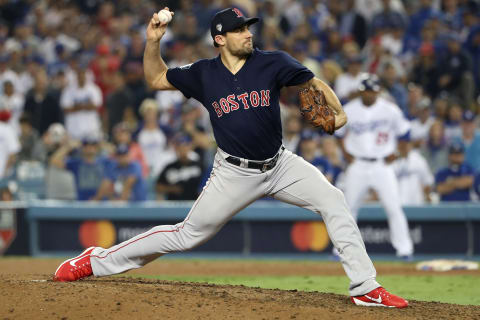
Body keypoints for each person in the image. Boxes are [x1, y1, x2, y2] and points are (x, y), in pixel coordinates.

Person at [53, 7, 408, 308]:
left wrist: (339, 112)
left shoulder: (272, 63)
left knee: (334, 200)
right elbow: (157, 78)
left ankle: (365, 287)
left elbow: (313, 84)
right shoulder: (204, 74)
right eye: (238, 30)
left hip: (280, 164)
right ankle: (96, 261)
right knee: (185, 235)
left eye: (247, 28)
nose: (246, 34)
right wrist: (153, 42)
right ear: (220, 39)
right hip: (234, 172)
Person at [336, 74, 414, 259]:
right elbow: (338, 134)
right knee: (348, 209)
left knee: (393, 207)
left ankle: (404, 249)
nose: (369, 94)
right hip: (358, 164)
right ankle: (341, 250)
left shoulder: (390, 109)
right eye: (365, 91)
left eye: (372, 90)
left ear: (378, 91)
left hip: (382, 165)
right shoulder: (349, 110)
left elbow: (405, 133)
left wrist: (397, 153)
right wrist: (346, 154)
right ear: (360, 92)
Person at [49, 135, 109, 201]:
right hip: (82, 203)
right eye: (85, 144)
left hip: (102, 204)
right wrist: (68, 147)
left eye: (93, 144)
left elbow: (118, 156)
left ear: (97, 147)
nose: (89, 147)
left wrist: (104, 145)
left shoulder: (105, 162)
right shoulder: (76, 163)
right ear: (81, 147)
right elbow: (54, 160)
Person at [156, 134, 204, 200]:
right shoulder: (169, 167)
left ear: (190, 147)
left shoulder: (199, 165)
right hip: (174, 206)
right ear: (176, 148)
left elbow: (207, 184)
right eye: (180, 146)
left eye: (186, 145)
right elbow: (158, 187)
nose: (183, 148)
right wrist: (171, 189)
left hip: (194, 204)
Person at [392, 134, 434, 205]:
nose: (404, 146)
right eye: (401, 143)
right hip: (397, 202)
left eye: (406, 143)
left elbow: (427, 181)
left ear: (410, 144)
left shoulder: (419, 159)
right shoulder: (392, 160)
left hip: (416, 202)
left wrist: (427, 195)